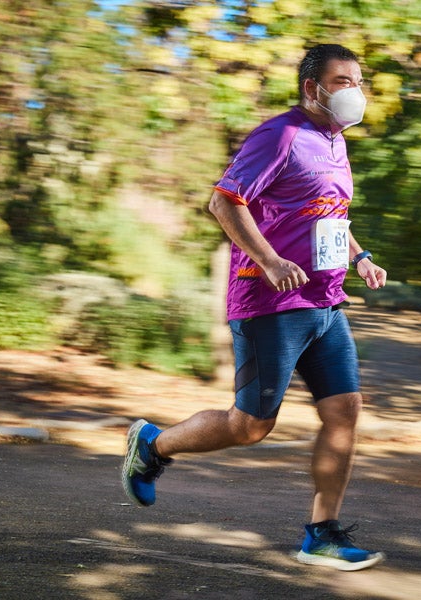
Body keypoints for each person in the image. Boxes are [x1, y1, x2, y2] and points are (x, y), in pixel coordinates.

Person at [122, 43, 387, 572]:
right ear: (312, 89)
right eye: (343, 81)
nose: (355, 91)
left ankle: (322, 534)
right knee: (249, 426)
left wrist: (361, 258)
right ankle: (152, 445)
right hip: (271, 302)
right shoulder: (281, 134)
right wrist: (267, 261)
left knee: (345, 410)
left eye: (359, 81)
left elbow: (330, 214)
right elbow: (224, 200)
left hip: (325, 301)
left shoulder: (334, 142)